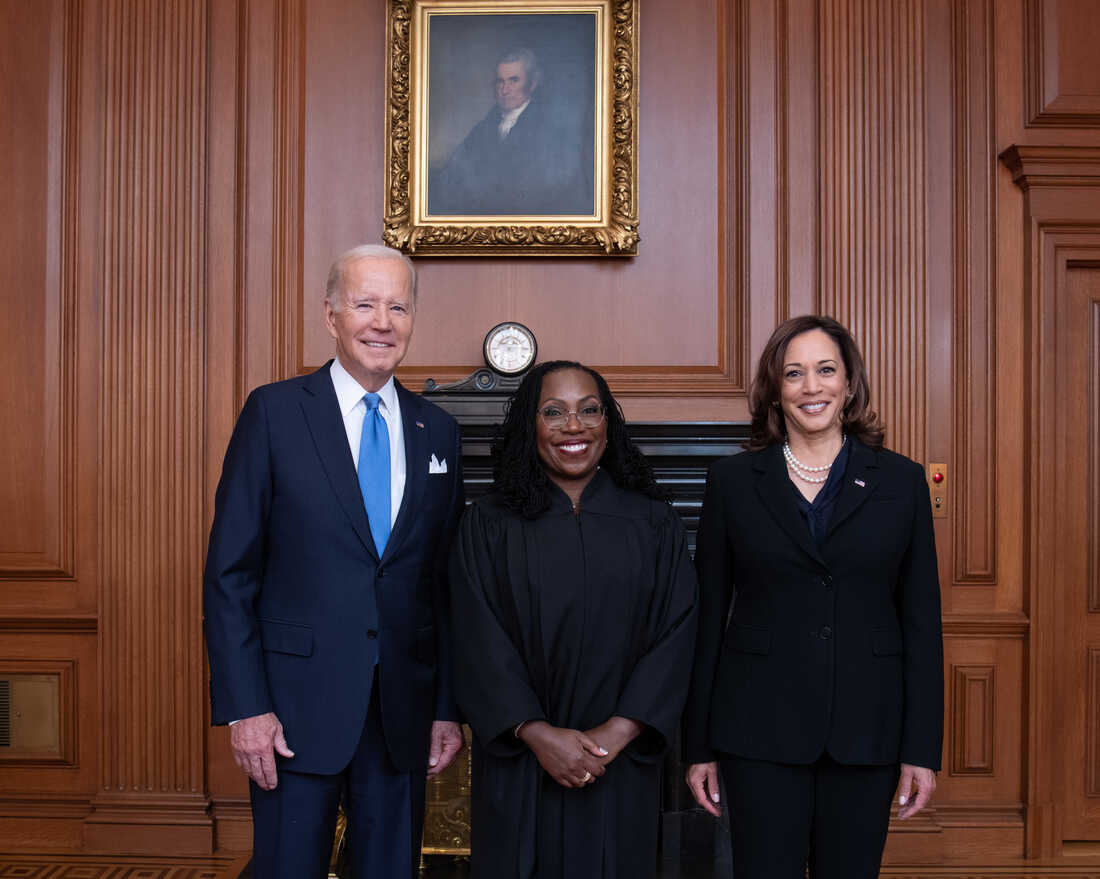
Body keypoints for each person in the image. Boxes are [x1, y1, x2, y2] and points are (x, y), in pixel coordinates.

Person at [202, 244, 465, 878]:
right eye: (365, 304)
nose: (383, 323)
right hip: (292, 711)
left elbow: (443, 585)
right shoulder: (274, 413)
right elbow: (230, 575)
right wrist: (246, 706)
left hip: (401, 713)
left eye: (398, 307)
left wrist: (445, 707)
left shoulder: (438, 430)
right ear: (330, 316)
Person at [682, 315, 944, 879]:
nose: (811, 387)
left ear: (849, 384)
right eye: (794, 373)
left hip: (868, 728)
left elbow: (922, 622)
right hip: (757, 727)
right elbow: (707, 619)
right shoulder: (732, 482)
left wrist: (922, 750)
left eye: (826, 370)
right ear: (776, 389)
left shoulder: (901, 482)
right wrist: (698, 746)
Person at [449, 361, 698, 878]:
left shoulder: (653, 522)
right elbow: (476, 636)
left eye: (589, 410)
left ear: (608, 422)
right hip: (521, 760)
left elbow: (677, 632)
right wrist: (536, 732)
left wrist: (617, 733)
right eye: (553, 412)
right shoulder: (489, 523)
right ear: (530, 425)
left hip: (621, 762)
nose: (574, 426)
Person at [430, 48, 592, 216]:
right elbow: (452, 175)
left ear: (532, 84)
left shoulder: (548, 129)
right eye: (500, 82)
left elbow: (551, 189)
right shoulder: (484, 128)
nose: (504, 90)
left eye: (513, 81)